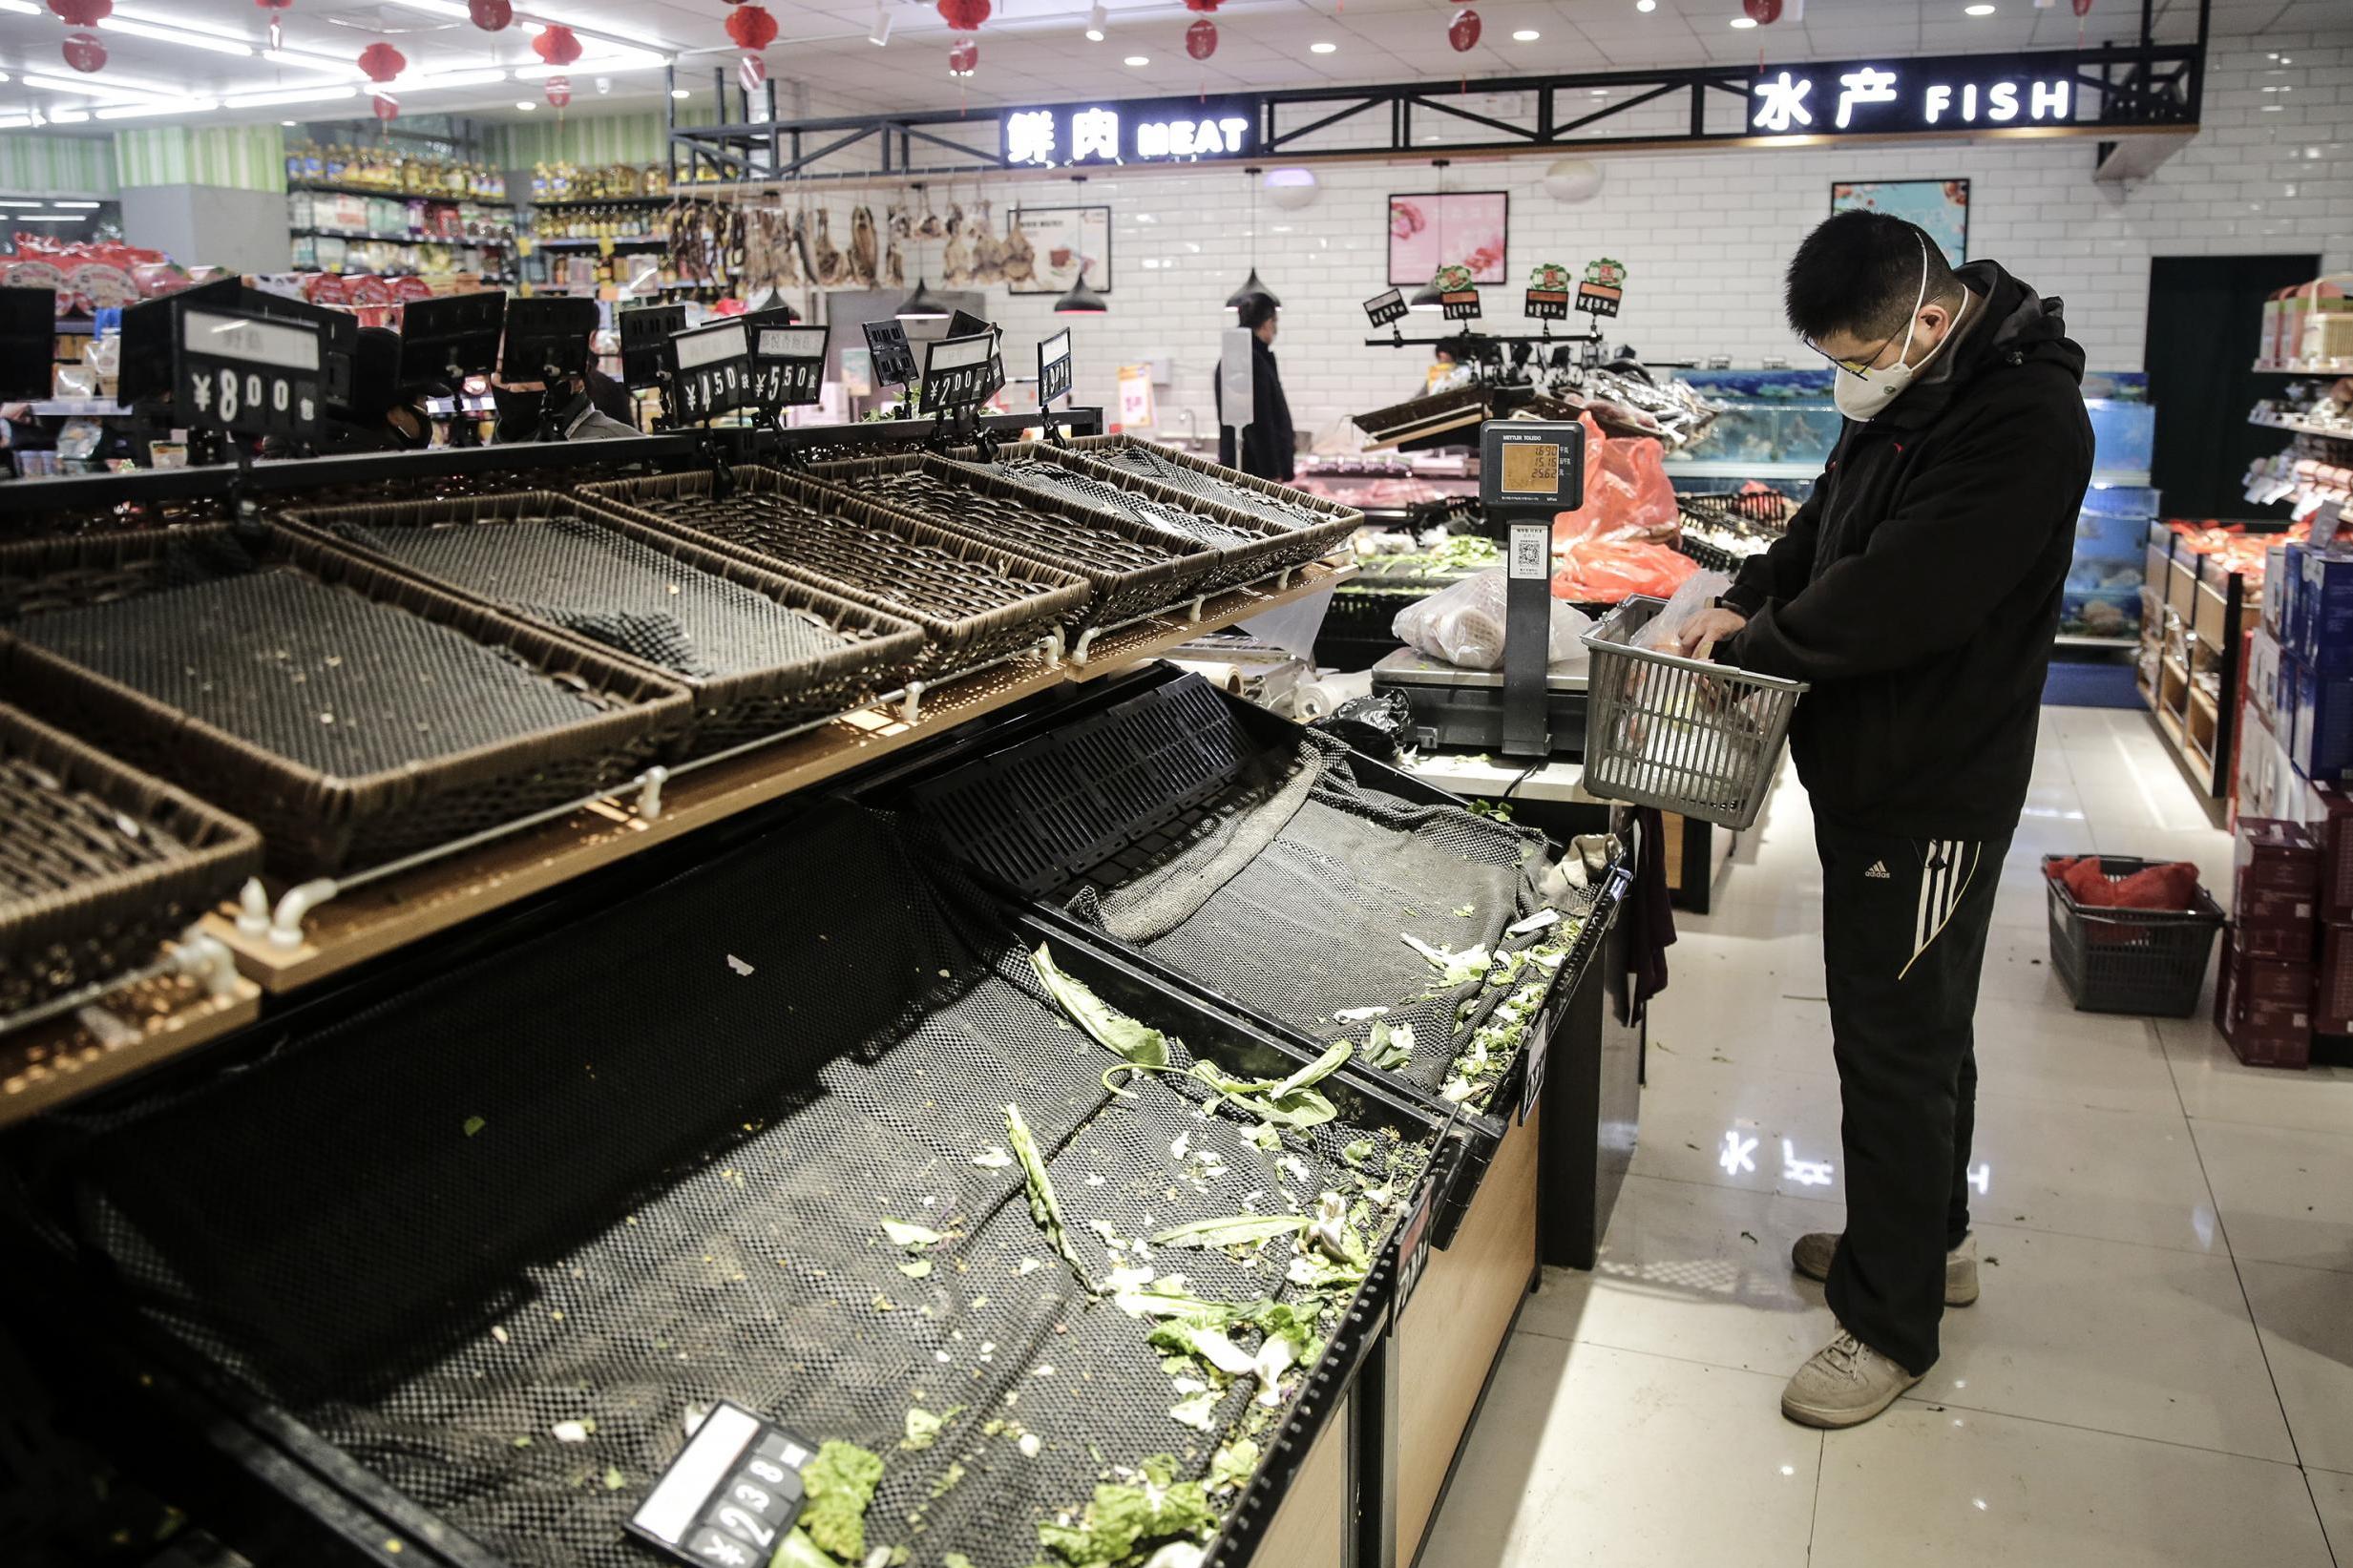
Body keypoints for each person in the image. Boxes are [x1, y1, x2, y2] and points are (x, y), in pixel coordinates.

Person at [1672, 210, 2094, 1429]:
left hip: (1933, 782)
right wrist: (1749, 588)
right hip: (1874, 766)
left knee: (1894, 1042)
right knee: (1920, 1018)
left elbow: (1908, 588)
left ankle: (1888, 1322)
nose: (1851, 381)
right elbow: (1828, 523)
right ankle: (1928, 1242)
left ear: (1926, 315)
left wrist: (1759, 643)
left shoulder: (2021, 419)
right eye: (1837, 363)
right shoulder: (1913, 397)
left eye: (1862, 356)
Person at [1215, 293, 1294, 481]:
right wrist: (1271, 473)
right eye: (1275, 322)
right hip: (1252, 476)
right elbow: (1259, 422)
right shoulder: (1247, 359)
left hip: (1250, 472)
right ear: (1268, 323)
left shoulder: (1245, 356)